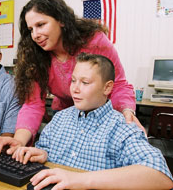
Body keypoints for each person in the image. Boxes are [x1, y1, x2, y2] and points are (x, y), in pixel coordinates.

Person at [0, 0, 144, 155]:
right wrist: (18, 141)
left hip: (101, 116)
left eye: (41, 25)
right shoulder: (36, 56)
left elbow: (118, 84)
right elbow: (33, 104)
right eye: (31, 29)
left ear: (61, 20)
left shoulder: (94, 41)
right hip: (66, 117)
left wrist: (126, 112)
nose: (35, 35)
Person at [13, 53, 173, 190]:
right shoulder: (61, 118)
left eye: (85, 82)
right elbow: (45, 149)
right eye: (73, 81)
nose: (75, 89)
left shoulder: (121, 128)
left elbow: (161, 175)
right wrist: (43, 154)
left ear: (107, 88)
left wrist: (79, 179)